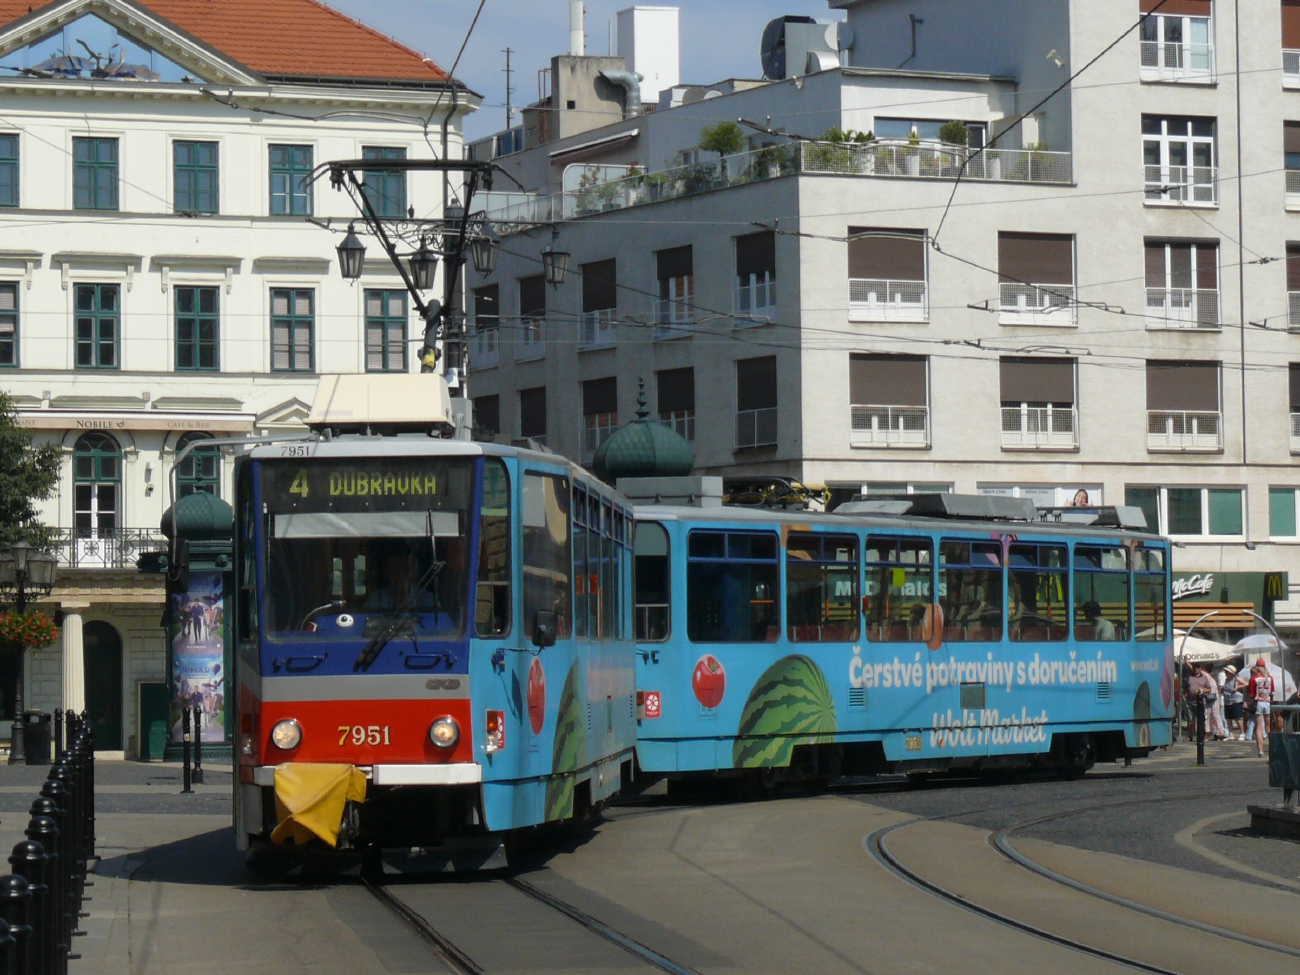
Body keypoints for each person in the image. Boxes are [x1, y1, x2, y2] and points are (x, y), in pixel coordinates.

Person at [1244, 660, 1274, 758]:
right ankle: (1271, 748)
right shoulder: (1270, 678)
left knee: (1259, 727)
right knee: (1268, 727)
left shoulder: (1253, 678)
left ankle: (1261, 751)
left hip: (1258, 702)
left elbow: (1252, 694)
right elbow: (1272, 691)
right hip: (1267, 702)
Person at [1186, 664, 1222, 740]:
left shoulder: (1206, 676)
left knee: (1208, 718)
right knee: (1198, 719)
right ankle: (1203, 735)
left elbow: (1210, 689)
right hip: (1197, 700)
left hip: (1206, 700)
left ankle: (1213, 734)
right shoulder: (1205, 676)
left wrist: (1201, 690)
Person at [1220, 665, 1245, 740]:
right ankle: (1231, 734)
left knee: (1237, 718)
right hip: (1227, 700)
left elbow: (1246, 684)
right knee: (1228, 718)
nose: (1225, 673)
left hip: (1236, 700)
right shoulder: (1226, 680)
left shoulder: (1236, 679)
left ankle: (1242, 733)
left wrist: (1238, 687)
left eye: (1227, 672)